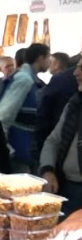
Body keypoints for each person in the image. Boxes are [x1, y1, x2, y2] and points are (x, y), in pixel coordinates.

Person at [0, 43, 51, 173]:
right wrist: (7, 148)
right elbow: (3, 115)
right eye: (48, 57)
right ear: (40, 58)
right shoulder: (24, 79)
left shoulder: (32, 80)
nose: (49, 62)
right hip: (18, 149)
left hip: (26, 149)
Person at [39, 58, 82, 217]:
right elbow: (53, 140)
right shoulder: (75, 104)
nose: (76, 73)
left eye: (81, 69)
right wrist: (48, 170)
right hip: (67, 188)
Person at [36, 53, 81, 152]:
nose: (76, 73)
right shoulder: (72, 98)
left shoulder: (60, 80)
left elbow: (43, 116)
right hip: (59, 147)